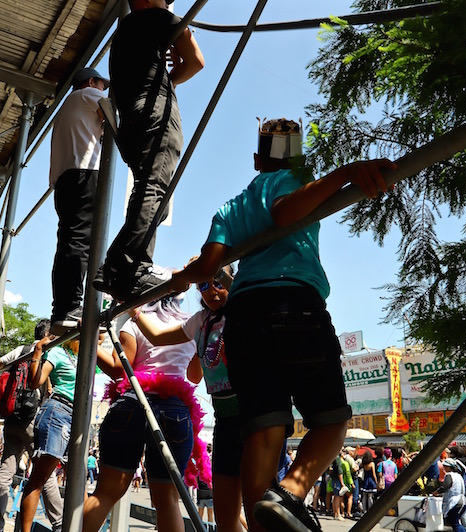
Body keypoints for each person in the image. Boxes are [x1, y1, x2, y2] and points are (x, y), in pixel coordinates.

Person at [169, 117, 394, 531]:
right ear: (300, 160)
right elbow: (285, 212)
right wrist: (346, 173)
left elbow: (208, 265)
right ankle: (289, 493)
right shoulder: (294, 179)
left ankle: (264, 522)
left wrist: (184, 279)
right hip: (292, 303)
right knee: (331, 419)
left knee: (267, 426)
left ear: (256, 160)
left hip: (244, 316)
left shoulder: (230, 208)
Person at [93, 0, 204, 301]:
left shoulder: (124, 32)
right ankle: (129, 267)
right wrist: (173, 77)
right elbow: (196, 61)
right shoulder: (162, 19)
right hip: (156, 112)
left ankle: (119, 268)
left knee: (150, 192)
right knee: (155, 190)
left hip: (131, 119)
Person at [131, 264, 245, 532]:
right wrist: (133, 311)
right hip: (225, 418)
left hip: (253, 415)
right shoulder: (201, 321)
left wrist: (213, 262)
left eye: (218, 281)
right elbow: (162, 342)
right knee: (226, 517)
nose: (212, 291)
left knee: (254, 505)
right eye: (203, 285)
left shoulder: (244, 306)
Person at [83, 294, 208, 532]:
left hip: (132, 403)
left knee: (106, 493)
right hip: (176, 410)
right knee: (167, 500)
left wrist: (89, 345)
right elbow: (194, 376)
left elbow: (119, 370)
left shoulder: (136, 322)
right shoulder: (191, 325)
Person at [19, 332, 111, 532]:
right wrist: (38, 351)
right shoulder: (59, 352)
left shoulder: (88, 356)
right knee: (40, 477)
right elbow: (36, 382)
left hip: (80, 417)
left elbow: (108, 360)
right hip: (58, 412)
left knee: (79, 481)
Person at [0, 319, 64, 532]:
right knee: (44, 473)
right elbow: (48, 389)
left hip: (12, 418)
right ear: (49, 335)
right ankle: (59, 525)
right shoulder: (47, 353)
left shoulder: (21, 350)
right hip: (33, 420)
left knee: (5, 473)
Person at [49, 67, 109, 331]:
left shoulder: (65, 109)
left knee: (68, 241)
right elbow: (113, 115)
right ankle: (73, 305)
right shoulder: (86, 95)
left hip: (64, 180)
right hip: (83, 173)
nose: (101, 91)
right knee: (81, 242)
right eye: (101, 86)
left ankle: (62, 308)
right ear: (91, 82)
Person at [434, 458, 466, 532]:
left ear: (449, 467)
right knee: (455, 522)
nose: (444, 467)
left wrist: (436, 492)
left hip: (455, 502)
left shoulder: (449, 475)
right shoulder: (458, 475)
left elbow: (445, 487)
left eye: (445, 466)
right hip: (462, 500)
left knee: (455, 523)